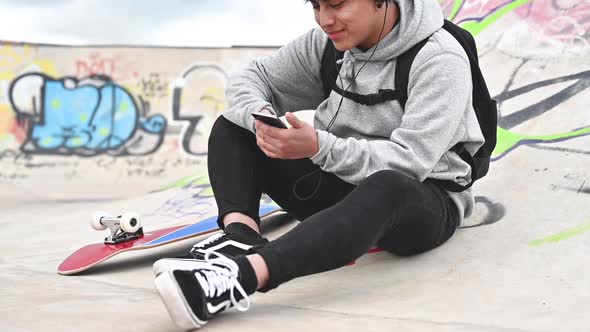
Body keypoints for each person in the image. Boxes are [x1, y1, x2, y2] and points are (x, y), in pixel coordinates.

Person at [153, 0, 484, 330]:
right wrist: (264, 123)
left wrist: (319, 147)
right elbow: (252, 77)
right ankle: (240, 239)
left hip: (421, 203)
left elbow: (410, 163)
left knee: (389, 184)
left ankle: (239, 277)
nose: (325, 19)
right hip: (339, 186)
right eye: (316, 5)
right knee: (234, 125)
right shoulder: (325, 44)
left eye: (337, 4)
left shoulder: (439, 57)